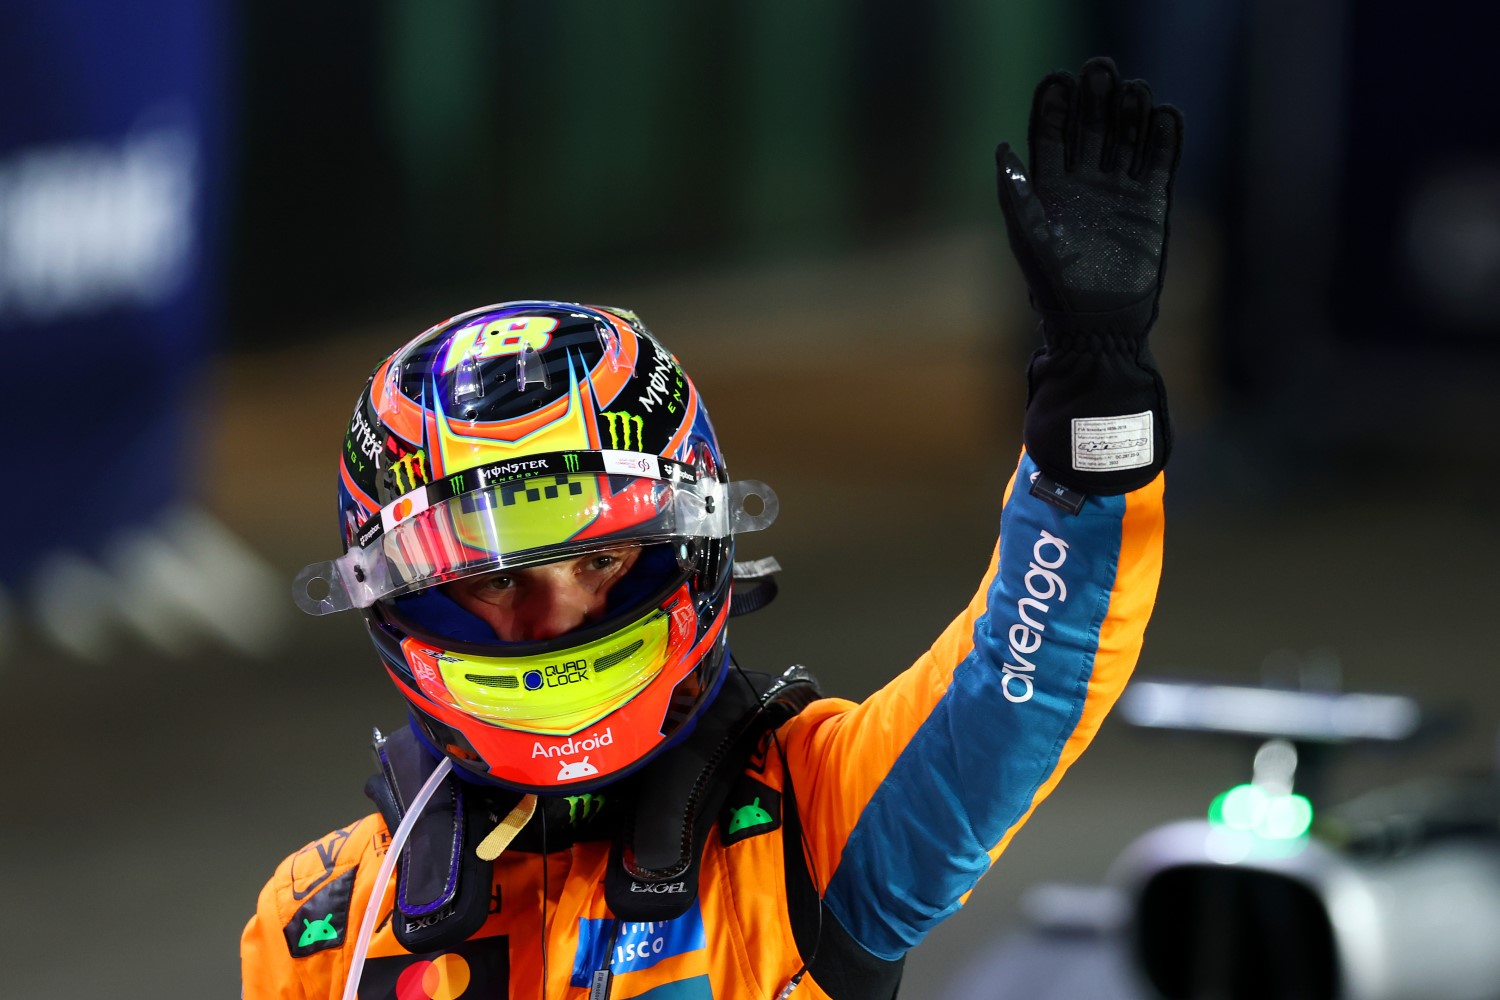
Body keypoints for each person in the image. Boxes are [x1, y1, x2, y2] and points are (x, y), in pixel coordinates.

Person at [241, 57, 1182, 1000]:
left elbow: (1028, 682)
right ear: (403, 602)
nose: (557, 614)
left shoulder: (820, 820)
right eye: (498, 579)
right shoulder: (319, 929)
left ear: (694, 552)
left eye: (600, 556)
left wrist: (1094, 409)